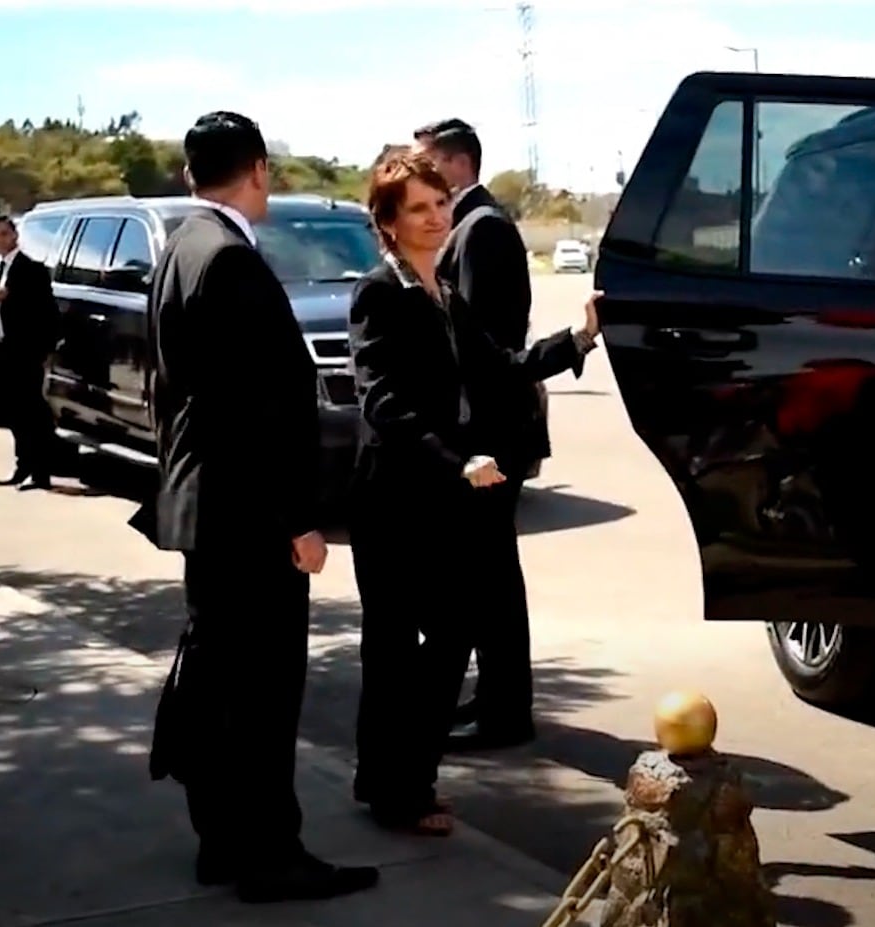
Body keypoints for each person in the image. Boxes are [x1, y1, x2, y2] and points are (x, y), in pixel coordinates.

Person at [143, 110, 378, 903]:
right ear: (258, 169)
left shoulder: (181, 247)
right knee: (262, 695)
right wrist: (298, 520)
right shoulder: (230, 260)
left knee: (221, 683)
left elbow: (175, 393)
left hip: (207, 508)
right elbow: (258, 413)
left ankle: (224, 840)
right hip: (248, 517)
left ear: (190, 174)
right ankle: (271, 853)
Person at [346, 147, 600, 834]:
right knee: (396, 650)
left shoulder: (445, 295)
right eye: (418, 209)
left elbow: (505, 367)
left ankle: (397, 779)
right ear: (389, 223)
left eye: (440, 203)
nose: (436, 218)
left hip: (443, 498)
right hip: (395, 499)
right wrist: (454, 462)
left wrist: (580, 337)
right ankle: (398, 791)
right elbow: (381, 402)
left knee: (448, 635)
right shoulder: (379, 292)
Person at [413, 118, 544, 750]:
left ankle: (505, 713)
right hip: (485, 431)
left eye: (428, 163)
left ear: (459, 164)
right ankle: (495, 699)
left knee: (491, 580)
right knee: (489, 575)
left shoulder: (483, 228)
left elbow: (480, 346)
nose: (421, 175)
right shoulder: (466, 224)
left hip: (491, 432)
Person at [0, 215, 59, 490]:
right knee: (13, 413)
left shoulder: (31, 270)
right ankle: (22, 465)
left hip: (24, 353)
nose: (0, 240)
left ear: (15, 235)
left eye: (5, 234)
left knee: (31, 413)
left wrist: (41, 351)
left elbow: (46, 312)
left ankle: (40, 472)